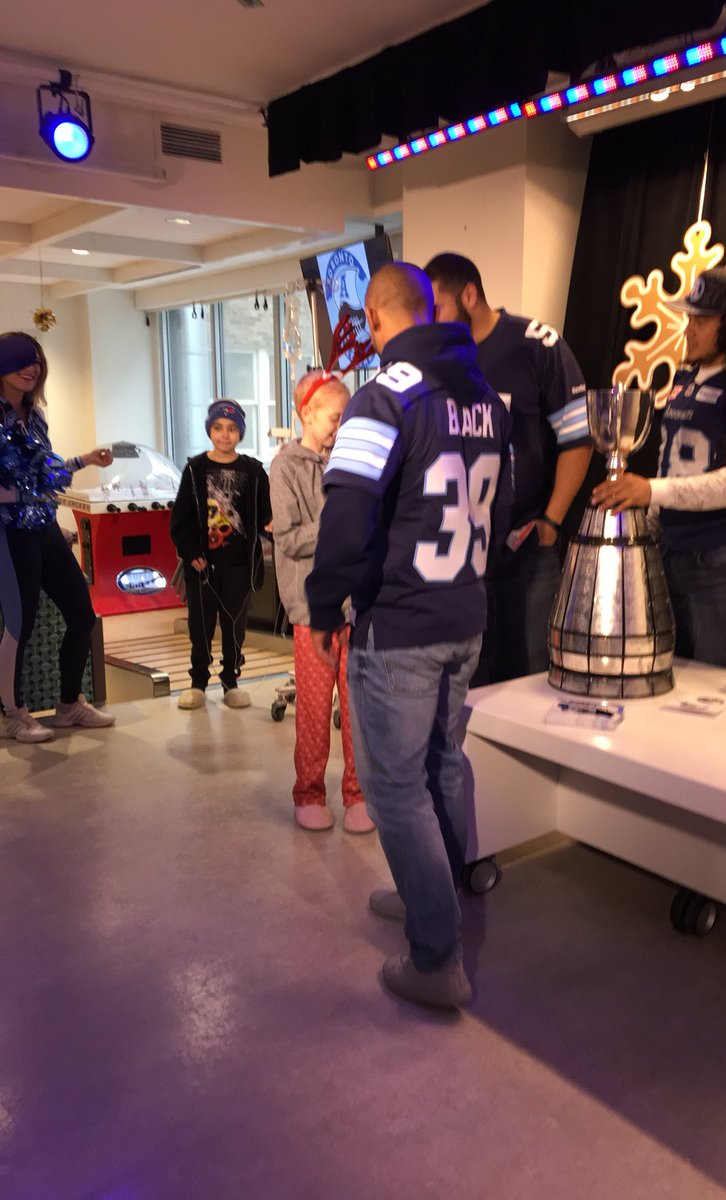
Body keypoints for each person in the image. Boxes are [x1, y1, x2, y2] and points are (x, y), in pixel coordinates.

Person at [306, 262, 512, 1010]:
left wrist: (325, 603)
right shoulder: (488, 398)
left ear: (376, 316)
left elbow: (348, 513)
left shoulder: (381, 397)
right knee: (443, 767)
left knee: (396, 788)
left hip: (400, 624)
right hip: (466, 614)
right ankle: (441, 896)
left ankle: (436, 954)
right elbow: (502, 507)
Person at [592, 267, 726, 670]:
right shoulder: (687, 376)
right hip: (677, 546)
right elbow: (673, 461)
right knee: (670, 672)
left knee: (718, 683)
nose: (689, 329)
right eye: (689, 318)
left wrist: (652, 491)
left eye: (701, 320)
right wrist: (649, 526)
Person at [424, 252, 592, 684]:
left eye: (438, 307)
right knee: (470, 683)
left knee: (530, 677)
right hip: (461, 554)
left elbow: (579, 436)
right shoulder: (437, 360)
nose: (432, 320)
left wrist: (552, 519)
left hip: (525, 545)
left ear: (470, 294)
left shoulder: (534, 343)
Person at [269, 370, 374, 834]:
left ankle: (359, 794)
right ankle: (309, 792)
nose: (341, 424)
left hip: (359, 606)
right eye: (335, 416)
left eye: (346, 416)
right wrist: (341, 522)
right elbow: (288, 539)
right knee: (313, 707)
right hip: (312, 611)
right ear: (306, 413)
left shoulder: (348, 459)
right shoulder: (285, 467)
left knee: (358, 709)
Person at [0, 331, 116, 743]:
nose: (32, 368)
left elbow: (48, 473)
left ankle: (69, 706)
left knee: (82, 614)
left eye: (36, 362)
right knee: (21, 623)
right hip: (10, 532)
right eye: (22, 360)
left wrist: (85, 460)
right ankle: (12, 713)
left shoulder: (35, 416)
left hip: (43, 525)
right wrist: (20, 493)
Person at [170, 399, 271, 709]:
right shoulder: (195, 468)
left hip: (240, 564)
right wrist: (191, 553)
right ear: (209, 430)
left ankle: (231, 680)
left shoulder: (253, 470)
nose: (225, 435)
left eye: (231, 429)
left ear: (240, 432)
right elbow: (181, 519)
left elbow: (266, 515)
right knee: (199, 625)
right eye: (218, 428)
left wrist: (274, 527)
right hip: (202, 565)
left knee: (234, 626)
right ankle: (198, 681)